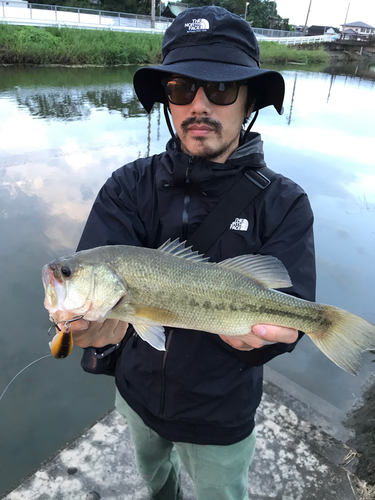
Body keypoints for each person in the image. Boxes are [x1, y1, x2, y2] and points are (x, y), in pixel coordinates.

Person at [64, 6, 316, 500]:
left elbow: (294, 312)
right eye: (181, 89)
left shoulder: (285, 203)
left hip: (221, 413)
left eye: (220, 90)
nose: (199, 105)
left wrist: (273, 339)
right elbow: (93, 281)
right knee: (156, 481)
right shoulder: (128, 186)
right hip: (135, 396)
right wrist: (84, 323)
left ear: (248, 102)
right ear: (169, 102)